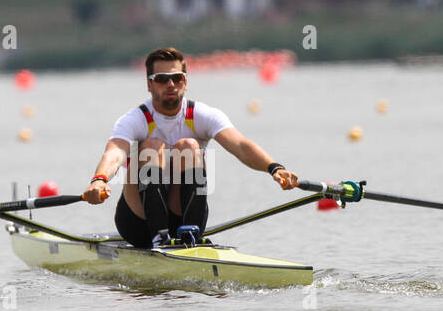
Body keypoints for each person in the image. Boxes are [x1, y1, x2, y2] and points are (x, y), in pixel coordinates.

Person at [83, 47, 300, 248]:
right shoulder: (135, 119)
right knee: (151, 146)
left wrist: (275, 168)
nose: (171, 85)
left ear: (185, 82)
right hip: (138, 223)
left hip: (183, 216)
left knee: (188, 146)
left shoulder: (203, 115)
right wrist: (99, 180)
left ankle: (190, 235)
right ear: (149, 85)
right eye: (161, 79)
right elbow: (115, 152)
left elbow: (241, 146)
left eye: (177, 78)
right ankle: (159, 236)